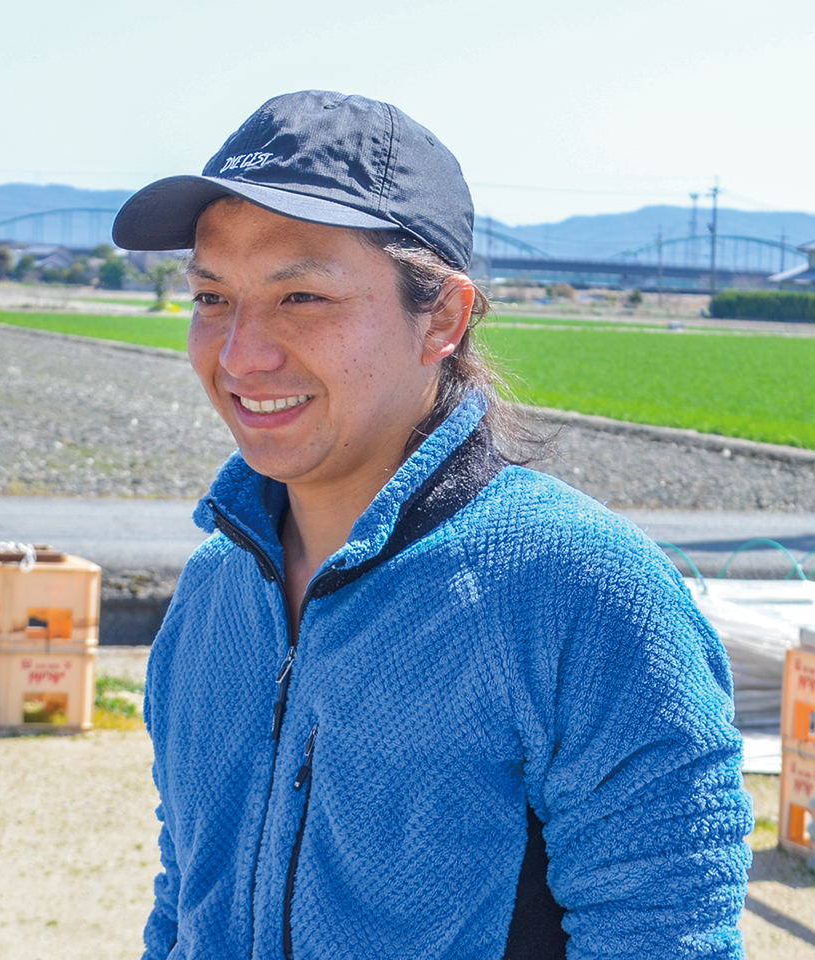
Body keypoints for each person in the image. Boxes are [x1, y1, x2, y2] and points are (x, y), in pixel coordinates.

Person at [111, 91, 752, 960]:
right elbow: (186, 893)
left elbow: (663, 937)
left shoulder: (579, 592)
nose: (240, 355)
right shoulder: (216, 589)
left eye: (301, 295)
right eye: (212, 296)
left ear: (443, 319)